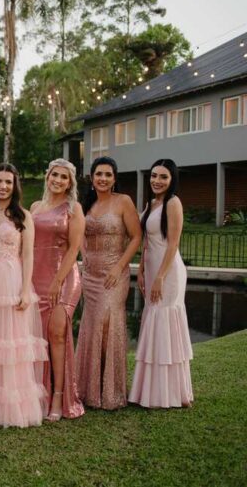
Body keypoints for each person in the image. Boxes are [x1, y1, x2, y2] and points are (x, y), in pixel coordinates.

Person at [0, 163, 48, 428]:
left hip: (10, 279)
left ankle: (12, 407)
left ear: (14, 186)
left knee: (10, 342)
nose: (2, 186)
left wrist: (25, 289)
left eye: (7, 182)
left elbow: (28, 254)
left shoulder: (23, 216)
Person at [76, 157, 141, 410]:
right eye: (98, 174)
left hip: (114, 274)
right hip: (90, 274)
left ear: (114, 178)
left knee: (107, 325)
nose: (102, 178)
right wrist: (84, 256)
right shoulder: (87, 204)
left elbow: (136, 237)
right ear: (91, 178)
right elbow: (79, 232)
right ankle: (88, 389)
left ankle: (109, 390)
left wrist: (119, 266)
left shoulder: (123, 201)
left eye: (108, 174)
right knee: (91, 328)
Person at [129, 159, 193, 408]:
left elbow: (173, 243)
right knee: (153, 324)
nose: (157, 180)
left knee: (165, 324)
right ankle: (152, 391)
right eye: (154, 175)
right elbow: (146, 243)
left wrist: (160, 277)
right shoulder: (151, 203)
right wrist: (143, 270)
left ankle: (173, 394)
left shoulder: (173, 203)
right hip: (152, 268)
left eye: (163, 177)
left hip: (169, 272)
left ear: (172, 180)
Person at [31, 158, 85, 421]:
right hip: (36, 277)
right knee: (39, 337)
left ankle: (60, 398)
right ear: (47, 176)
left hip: (64, 278)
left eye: (64, 177)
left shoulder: (74, 209)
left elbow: (74, 249)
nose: (58, 180)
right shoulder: (35, 207)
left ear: (70, 183)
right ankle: (40, 392)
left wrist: (57, 282)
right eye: (55, 175)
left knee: (58, 335)